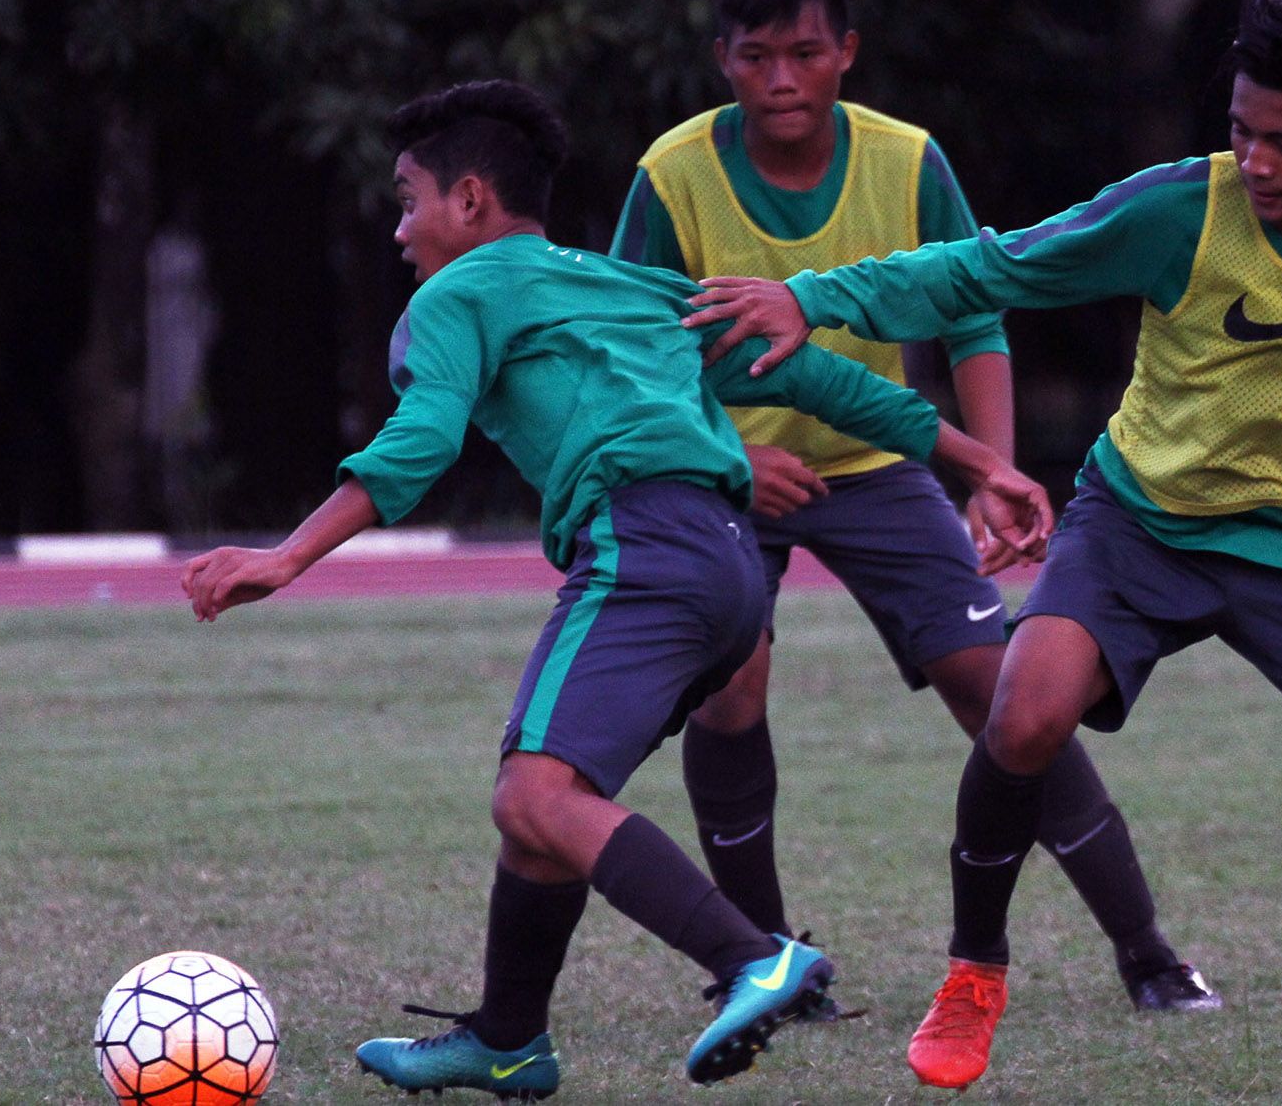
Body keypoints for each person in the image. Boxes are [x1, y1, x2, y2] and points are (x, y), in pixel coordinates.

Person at [683, 0, 1282, 1094]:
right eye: (1240, 131)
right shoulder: (1177, 208)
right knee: (1023, 712)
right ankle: (973, 975)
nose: (1256, 162)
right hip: (1134, 527)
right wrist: (814, 296)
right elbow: (990, 267)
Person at [181, 78, 1052, 1100]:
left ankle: (751, 959)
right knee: (545, 811)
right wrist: (976, 463)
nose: (400, 231)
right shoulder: (625, 287)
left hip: (644, 547)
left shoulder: (453, 297)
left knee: (534, 792)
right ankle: (506, 1039)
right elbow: (815, 377)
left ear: (468, 202)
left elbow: (418, 442)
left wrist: (284, 557)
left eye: (408, 200)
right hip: (732, 562)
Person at [611, 0, 1220, 1024]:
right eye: (756, 56)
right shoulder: (671, 174)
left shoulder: (906, 157)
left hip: (881, 463)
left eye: (804, 52)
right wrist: (728, 454)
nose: (782, 78)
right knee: (730, 684)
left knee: (1005, 685)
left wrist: (988, 472)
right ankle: (761, 968)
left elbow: (974, 317)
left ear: (845, 51)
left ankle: (1149, 956)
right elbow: (626, 353)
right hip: (724, 470)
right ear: (722, 60)